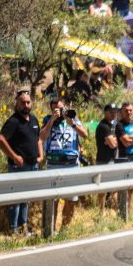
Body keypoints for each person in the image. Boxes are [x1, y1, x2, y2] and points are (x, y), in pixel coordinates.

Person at [0, 90, 42, 235]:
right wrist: (14, 156)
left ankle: (24, 227)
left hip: (33, 165)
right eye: (23, 102)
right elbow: (1, 140)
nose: (26, 105)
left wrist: (40, 155)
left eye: (28, 102)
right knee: (15, 199)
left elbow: (38, 139)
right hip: (18, 167)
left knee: (25, 198)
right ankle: (13, 230)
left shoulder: (34, 120)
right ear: (17, 104)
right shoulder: (13, 121)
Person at [40, 96, 88, 231]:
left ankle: (64, 231)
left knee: (71, 200)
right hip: (53, 164)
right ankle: (50, 230)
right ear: (51, 109)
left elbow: (85, 135)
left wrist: (72, 123)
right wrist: (52, 120)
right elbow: (42, 137)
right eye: (56, 109)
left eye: (61, 109)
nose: (60, 112)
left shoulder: (73, 119)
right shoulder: (47, 119)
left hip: (72, 165)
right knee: (52, 201)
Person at [95, 103, 119, 211]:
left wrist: (113, 140)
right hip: (104, 161)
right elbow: (113, 144)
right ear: (105, 112)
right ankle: (102, 213)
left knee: (113, 188)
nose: (113, 114)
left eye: (115, 112)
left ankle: (113, 212)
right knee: (104, 189)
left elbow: (113, 142)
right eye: (111, 112)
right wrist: (115, 141)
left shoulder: (111, 126)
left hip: (111, 160)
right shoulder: (104, 126)